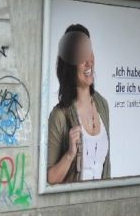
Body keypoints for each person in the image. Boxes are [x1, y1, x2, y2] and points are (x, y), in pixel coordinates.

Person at [47, 24, 111, 184]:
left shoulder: (102, 105)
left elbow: (106, 167)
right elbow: (50, 178)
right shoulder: (59, 115)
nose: (88, 62)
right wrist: (69, 155)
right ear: (69, 66)